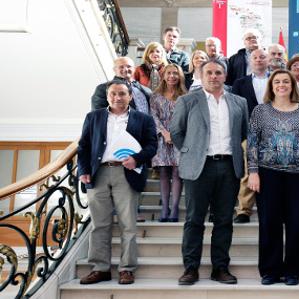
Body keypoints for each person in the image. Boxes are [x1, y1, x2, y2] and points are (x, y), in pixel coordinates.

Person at [170, 60, 249, 285]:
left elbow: (244, 132)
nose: (214, 76)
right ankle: (191, 268)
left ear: (225, 76)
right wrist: (191, 151)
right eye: (209, 73)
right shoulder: (187, 100)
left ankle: (220, 268)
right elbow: (176, 131)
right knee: (195, 220)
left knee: (224, 220)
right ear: (201, 75)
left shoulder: (239, 102)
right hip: (199, 167)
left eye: (218, 73)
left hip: (228, 166)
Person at [247, 70, 299, 286]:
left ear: (292, 85)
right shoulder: (260, 111)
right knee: (269, 222)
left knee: (297, 223)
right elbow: (252, 142)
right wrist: (253, 171)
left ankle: (293, 270)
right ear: (271, 85)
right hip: (267, 174)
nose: (281, 85)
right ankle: (270, 270)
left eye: (286, 82)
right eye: (277, 81)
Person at [78, 79, 158, 285]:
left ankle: (127, 269)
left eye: (122, 93)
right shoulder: (93, 117)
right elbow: (84, 146)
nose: (117, 97)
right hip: (99, 174)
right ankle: (100, 268)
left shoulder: (143, 119)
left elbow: (152, 146)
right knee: (99, 224)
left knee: (128, 224)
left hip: (127, 173)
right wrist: (84, 170)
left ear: (130, 96)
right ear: (107, 96)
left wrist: (137, 158)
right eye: (113, 94)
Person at [231, 48, 270, 224]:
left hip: (276, 133)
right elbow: (235, 110)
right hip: (249, 133)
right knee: (248, 172)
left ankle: (272, 207)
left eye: (262, 57)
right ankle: (244, 210)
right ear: (250, 61)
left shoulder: (277, 80)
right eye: (255, 57)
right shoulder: (240, 83)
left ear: (268, 59)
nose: (259, 60)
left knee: (273, 172)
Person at [150, 64, 187, 222]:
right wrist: (165, 133)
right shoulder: (155, 96)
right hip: (161, 138)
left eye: (175, 73)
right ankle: (165, 208)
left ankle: (175, 209)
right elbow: (153, 116)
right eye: (169, 73)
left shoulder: (185, 96)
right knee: (164, 173)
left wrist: (175, 134)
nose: (172, 76)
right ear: (163, 76)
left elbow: (187, 118)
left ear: (180, 77)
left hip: (180, 138)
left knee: (177, 173)